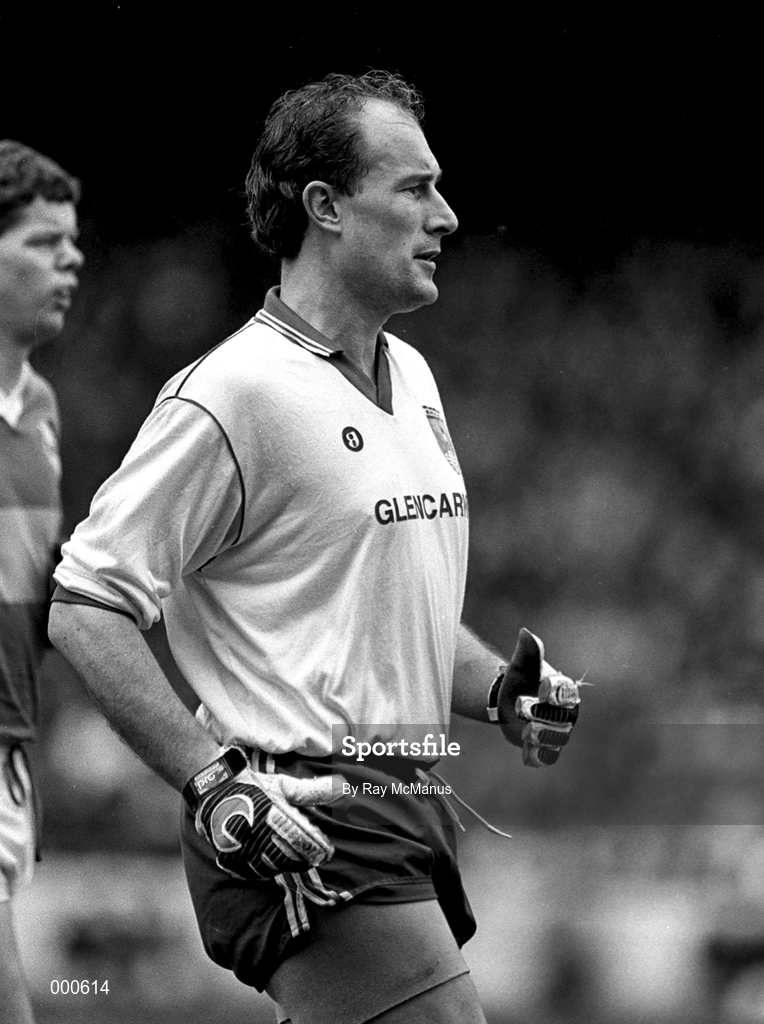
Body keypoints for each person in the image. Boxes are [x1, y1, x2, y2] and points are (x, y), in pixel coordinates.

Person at [48, 72, 579, 1024]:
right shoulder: (234, 393)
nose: (448, 216)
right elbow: (86, 602)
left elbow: (373, 614)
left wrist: (501, 690)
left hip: (406, 798)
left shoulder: (411, 372)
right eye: (414, 188)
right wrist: (213, 785)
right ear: (325, 207)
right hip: (306, 819)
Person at [0, 140, 83, 1024]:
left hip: (11, 742)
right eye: (41, 241)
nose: (72, 259)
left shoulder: (43, 410)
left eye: (74, 241)